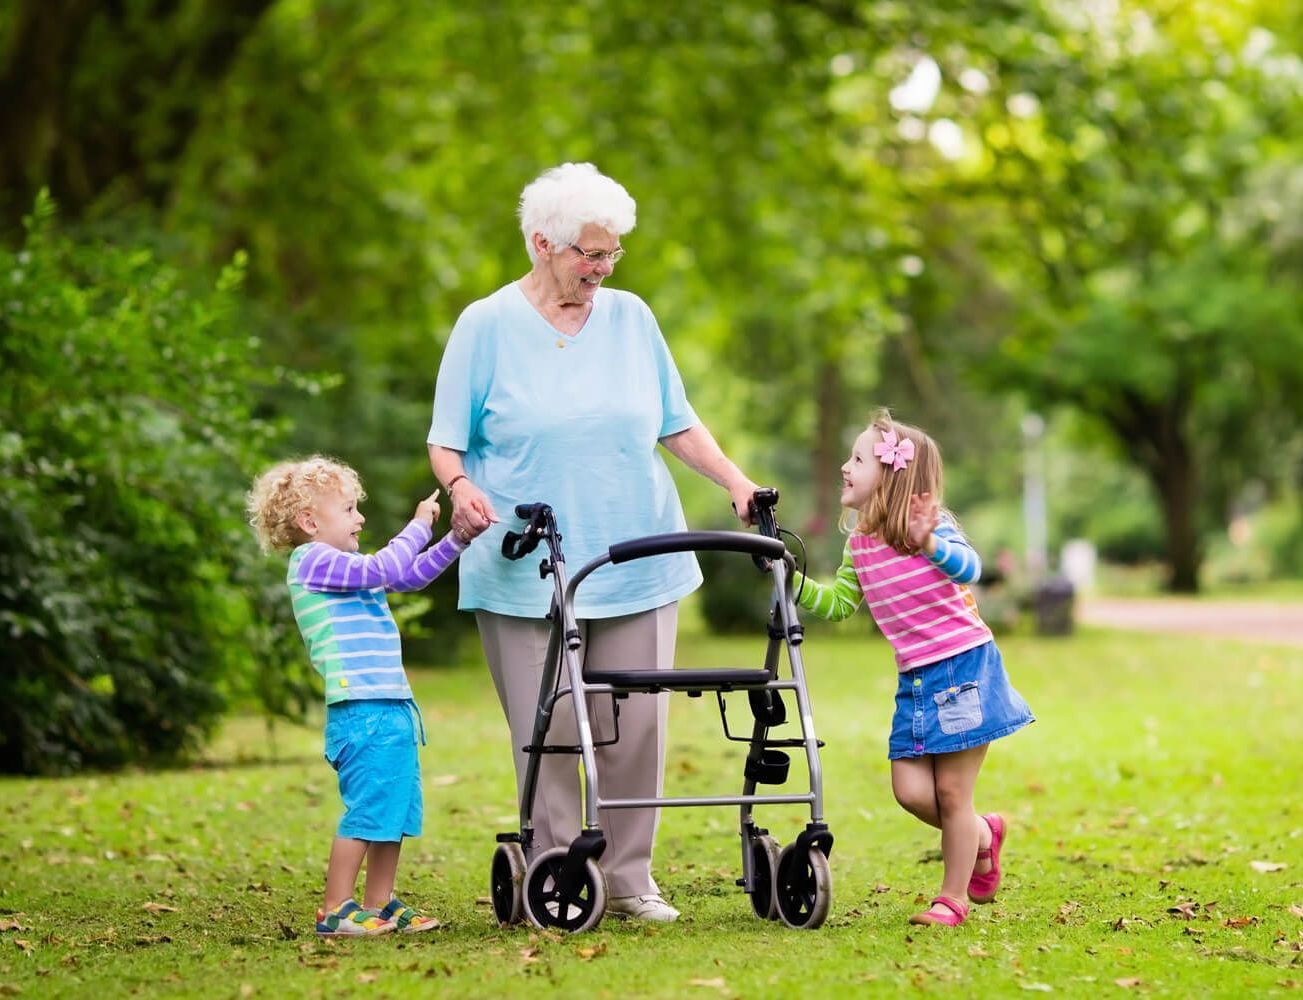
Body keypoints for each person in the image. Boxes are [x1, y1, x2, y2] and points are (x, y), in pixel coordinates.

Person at [427, 162, 758, 923]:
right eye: (590, 255)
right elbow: (446, 443)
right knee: (543, 730)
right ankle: (555, 872)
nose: (602, 270)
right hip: (524, 562)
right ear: (543, 244)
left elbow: (675, 419)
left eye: (612, 255)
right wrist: (460, 489)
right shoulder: (484, 325)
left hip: (636, 550)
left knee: (635, 725)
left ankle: (630, 877)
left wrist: (735, 482)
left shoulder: (631, 318)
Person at [794, 410, 1034, 927]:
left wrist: (929, 542)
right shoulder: (857, 545)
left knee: (951, 794)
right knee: (910, 791)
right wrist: (790, 581)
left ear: (891, 475)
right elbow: (839, 604)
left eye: (857, 459)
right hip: (916, 680)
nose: (844, 466)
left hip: (964, 668)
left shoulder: (931, 529)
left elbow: (971, 569)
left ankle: (952, 900)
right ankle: (984, 836)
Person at [247, 456, 485, 937]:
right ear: (310, 522)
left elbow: (407, 576)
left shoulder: (347, 566)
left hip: (390, 704)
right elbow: (387, 566)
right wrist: (418, 526)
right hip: (362, 709)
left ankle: (379, 902)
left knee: (393, 807)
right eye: (350, 509)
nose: (360, 518)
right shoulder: (311, 561)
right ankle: (336, 907)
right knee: (368, 808)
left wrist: (456, 541)